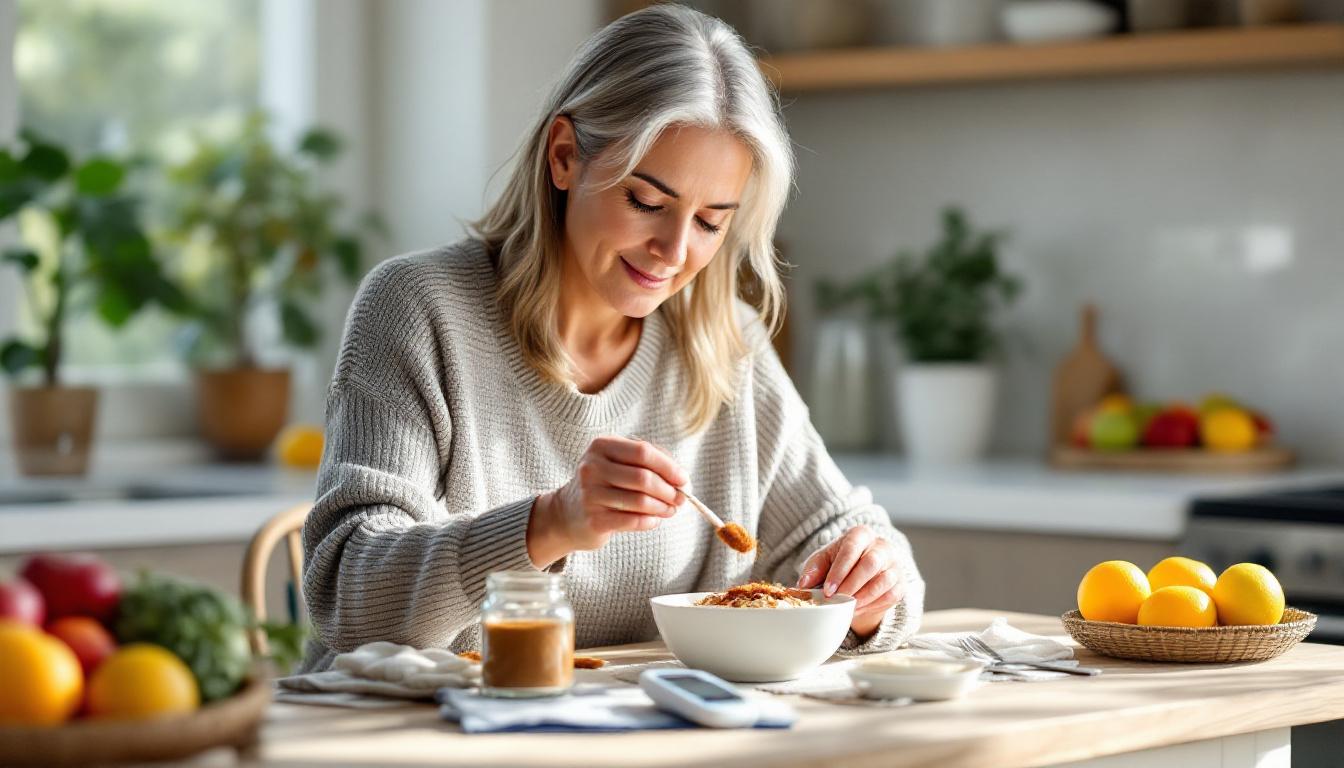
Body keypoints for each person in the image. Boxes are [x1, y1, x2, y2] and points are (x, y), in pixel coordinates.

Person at [299, 4, 924, 673]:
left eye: (710, 222)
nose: (674, 251)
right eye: (646, 203)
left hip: (639, 723)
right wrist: (551, 523)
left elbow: (847, 540)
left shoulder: (724, 342)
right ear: (564, 156)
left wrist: (871, 584)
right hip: (423, 722)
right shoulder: (420, 309)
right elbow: (349, 598)